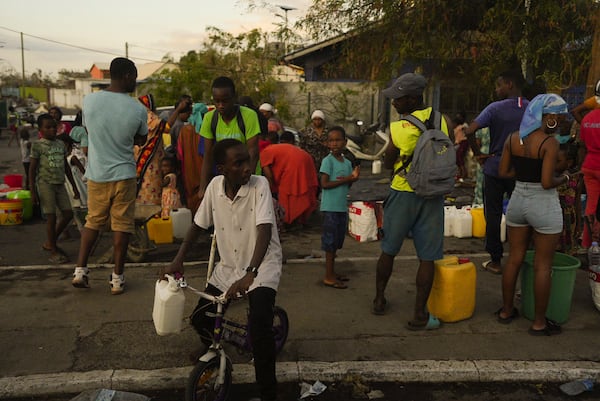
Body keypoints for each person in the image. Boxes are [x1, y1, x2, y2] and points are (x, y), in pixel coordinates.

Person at [161, 139, 282, 401]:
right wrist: (178, 260)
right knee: (199, 319)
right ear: (222, 169)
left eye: (247, 160)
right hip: (229, 266)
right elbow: (197, 226)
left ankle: (268, 394)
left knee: (260, 331)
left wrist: (250, 273)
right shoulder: (215, 188)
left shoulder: (259, 184)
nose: (247, 168)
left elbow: (264, 229)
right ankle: (215, 349)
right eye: (238, 163)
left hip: (261, 266)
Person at [372, 73, 449, 331]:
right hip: (434, 194)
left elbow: (387, 163)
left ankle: (379, 299)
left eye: (398, 98)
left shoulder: (399, 128)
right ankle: (419, 314)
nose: (393, 102)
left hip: (403, 192)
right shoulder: (442, 120)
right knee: (427, 257)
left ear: (414, 99)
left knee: (389, 249)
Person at [497, 93, 571, 336]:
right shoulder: (549, 143)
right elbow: (548, 181)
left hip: (517, 200)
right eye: (557, 117)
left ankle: (506, 311)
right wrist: (566, 178)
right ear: (546, 116)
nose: (559, 122)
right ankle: (539, 323)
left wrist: (523, 177)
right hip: (543, 204)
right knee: (542, 265)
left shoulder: (513, 139)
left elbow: (504, 172)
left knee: (515, 257)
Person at [72, 57, 148, 294]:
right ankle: (117, 278)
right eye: (134, 76)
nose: (135, 81)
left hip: (97, 174)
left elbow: (88, 130)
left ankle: (80, 271)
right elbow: (141, 138)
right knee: (122, 226)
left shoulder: (90, 101)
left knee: (93, 221)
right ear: (126, 76)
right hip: (124, 174)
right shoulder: (137, 107)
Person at [464, 70, 529, 275]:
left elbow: (469, 131)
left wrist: (478, 153)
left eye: (499, 85)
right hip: (522, 170)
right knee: (522, 214)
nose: (496, 89)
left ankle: (495, 260)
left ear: (510, 84)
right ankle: (522, 257)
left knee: (492, 215)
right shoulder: (532, 108)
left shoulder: (494, 108)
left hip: (495, 167)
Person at [198, 76, 261, 201]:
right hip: (226, 179)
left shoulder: (249, 116)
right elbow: (208, 155)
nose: (220, 105)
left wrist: (247, 184)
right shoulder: (209, 119)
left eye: (225, 101)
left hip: (248, 175)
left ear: (234, 97)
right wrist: (203, 187)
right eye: (217, 101)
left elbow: (253, 153)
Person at [30, 114, 79, 264]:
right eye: (48, 127)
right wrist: (32, 190)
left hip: (60, 184)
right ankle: (53, 250)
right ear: (41, 130)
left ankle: (50, 241)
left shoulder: (60, 145)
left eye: (54, 127)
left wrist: (75, 187)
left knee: (68, 213)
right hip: (46, 184)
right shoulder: (38, 145)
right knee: (51, 217)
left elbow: (66, 167)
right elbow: (32, 169)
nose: (52, 130)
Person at [319, 126, 360, 289]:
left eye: (338, 140)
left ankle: (332, 272)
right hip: (330, 208)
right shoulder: (327, 161)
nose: (335, 143)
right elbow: (325, 184)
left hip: (341, 207)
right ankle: (328, 276)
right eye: (331, 141)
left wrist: (353, 179)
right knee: (330, 244)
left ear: (345, 142)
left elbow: (347, 185)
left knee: (336, 243)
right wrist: (348, 179)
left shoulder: (347, 162)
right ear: (327, 144)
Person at [260, 131, 319, 228]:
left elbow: (267, 172)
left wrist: (270, 186)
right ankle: (298, 220)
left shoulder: (265, 151)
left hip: (295, 165)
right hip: (305, 159)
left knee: (288, 193)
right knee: (300, 190)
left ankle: (288, 221)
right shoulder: (277, 148)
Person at [176, 102, 208, 214]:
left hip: (188, 169)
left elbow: (179, 153)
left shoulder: (184, 130)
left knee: (191, 193)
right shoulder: (206, 129)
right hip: (204, 168)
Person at [556, 143, 583, 255]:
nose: (553, 163)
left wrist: (578, 225)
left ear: (569, 162)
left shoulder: (576, 177)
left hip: (569, 219)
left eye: (557, 161)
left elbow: (577, 201)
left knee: (568, 248)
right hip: (556, 216)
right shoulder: (552, 176)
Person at [579, 102, 600, 247]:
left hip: (589, 165)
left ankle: (587, 243)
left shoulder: (587, 118)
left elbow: (583, 144)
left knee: (591, 207)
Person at [299, 110, 329, 176]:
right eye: (315, 119)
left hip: (325, 161)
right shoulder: (306, 131)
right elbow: (302, 146)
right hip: (311, 161)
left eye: (319, 119)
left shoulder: (328, 131)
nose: (317, 121)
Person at [453, 112, 469, 180]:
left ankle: (464, 173)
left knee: (460, 156)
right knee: (457, 158)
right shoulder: (456, 127)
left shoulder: (464, 125)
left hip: (463, 142)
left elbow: (466, 129)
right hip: (458, 143)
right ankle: (460, 173)